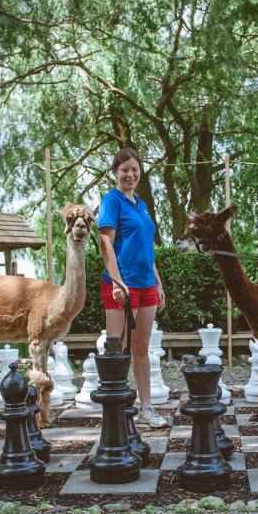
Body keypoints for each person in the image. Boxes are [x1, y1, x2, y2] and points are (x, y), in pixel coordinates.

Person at [97, 147, 167, 427]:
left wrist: (158, 282)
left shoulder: (142, 204)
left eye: (134, 169)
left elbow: (147, 248)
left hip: (147, 284)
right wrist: (116, 281)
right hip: (121, 285)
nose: (130, 174)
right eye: (124, 169)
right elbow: (106, 244)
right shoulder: (111, 200)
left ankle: (146, 408)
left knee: (141, 349)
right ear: (115, 172)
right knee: (118, 350)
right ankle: (115, 412)